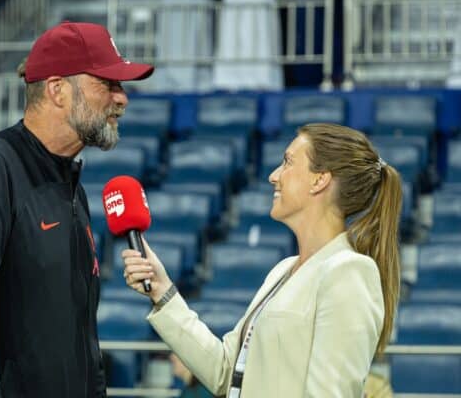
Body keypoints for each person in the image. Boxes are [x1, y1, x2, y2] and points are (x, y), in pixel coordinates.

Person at [0, 21, 153, 397]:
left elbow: (83, 341)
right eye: (107, 84)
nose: (122, 97)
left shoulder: (72, 188)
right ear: (57, 89)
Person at [123, 123, 402, 397]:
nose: (273, 175)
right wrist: (163, 291)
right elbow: (224, 371)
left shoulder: (349, 271)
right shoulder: (282, 270)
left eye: (287, 162)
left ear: (320, 180)